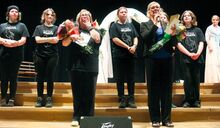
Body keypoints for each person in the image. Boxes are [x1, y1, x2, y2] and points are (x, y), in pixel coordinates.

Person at [62, 9, 101, 126]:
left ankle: (89, 118)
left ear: (90, 18)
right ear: (78, 19)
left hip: (91, 66)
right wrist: (70, 37)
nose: (84, 16)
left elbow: (97, 39)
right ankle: (76, 117)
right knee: (77, 93)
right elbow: (64, 43)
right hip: (76, 65)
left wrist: (90, 27)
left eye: (87, 15)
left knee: (90, 94)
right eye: (82, 15)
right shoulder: (74, 30)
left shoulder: (96, 30)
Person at [140, 1, 176, 127]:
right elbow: (146, 38)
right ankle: (155, 118)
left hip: (167, 59)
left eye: (157, 7)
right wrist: (155, 23)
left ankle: (166, 119)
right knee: (153, 90)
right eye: (152, 7)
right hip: (152, 60)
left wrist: (176, 34)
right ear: (149, 11)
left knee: (167, 90)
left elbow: (174, 41)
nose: (155, 8)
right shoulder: (144, 24)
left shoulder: (167, 23)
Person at [109, 6, 138, 108]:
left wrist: (134, 46)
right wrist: (127, 47)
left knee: (131, 78)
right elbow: (115, 39)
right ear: (118, 14)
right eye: (121, 12)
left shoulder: (130, 25)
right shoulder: (114, 26)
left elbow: (135, 37)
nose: (124, 14)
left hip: (131, 55)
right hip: (119, 56)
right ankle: (121, 98)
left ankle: (131, 98)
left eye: (125, 12)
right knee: (120, 78)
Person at [0, 5, 29, 107]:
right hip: (3, 55)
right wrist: (4, 41)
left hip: (16, 55)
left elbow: (23, 39)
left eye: (16, 12)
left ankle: (12, 98)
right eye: (12, 11)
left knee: (13, 77)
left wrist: (15, 43)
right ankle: (3, 98)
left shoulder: (22, 26)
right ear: (8, 14)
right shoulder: (2, 26)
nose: (14, 13)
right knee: (3, 77)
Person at [177, 10, 205, 108]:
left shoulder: (198, 30)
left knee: (196, 80)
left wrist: (197, 53)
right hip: (185, 59)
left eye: (189, 15)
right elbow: (178, 44)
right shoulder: (181, 30)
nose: (186, 17)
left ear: (192, 18)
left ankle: (196, 100)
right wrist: (189, 54)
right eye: (184, 16)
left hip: (197, 58)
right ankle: (187, 100)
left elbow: (201, 42)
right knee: (188, 80)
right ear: (183, 19)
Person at [32, 8, 59, 107]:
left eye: (52, 15)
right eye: (48, 14)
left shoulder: (56, 28)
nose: (50, 16)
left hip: (52, 55)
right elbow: (37, 40)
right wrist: (50, 39)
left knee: (50, 77)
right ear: (44, 16)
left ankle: (49, 98)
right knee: (40, 77)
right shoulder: (39, 28)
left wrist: (44, 39)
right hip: (40, 55)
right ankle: (39, 98)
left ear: (53, 17)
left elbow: (56, 40)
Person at [204, 15, 220, 83]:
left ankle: (218, 80)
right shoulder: (209, 28)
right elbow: (207, 37)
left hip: (217, 46)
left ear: (218, 20)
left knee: (217, 62)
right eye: (213, 19)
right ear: (211, 20)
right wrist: (209, 45)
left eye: (216, 20)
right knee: (212, 62)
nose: (215, 21)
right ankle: (211, 80)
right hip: (211, 45)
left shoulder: (219, 28)